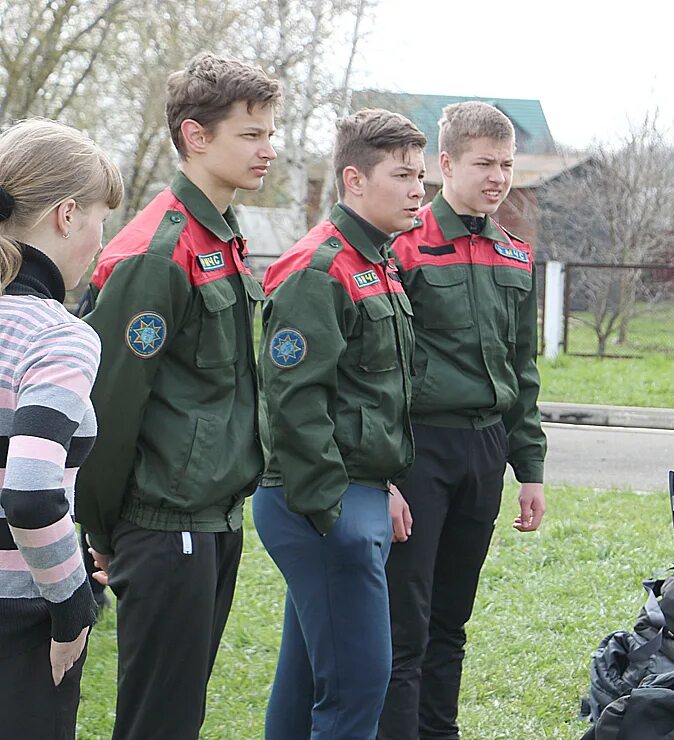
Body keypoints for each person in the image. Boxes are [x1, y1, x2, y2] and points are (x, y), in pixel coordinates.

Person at [74, 53, 281, 740]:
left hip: (214, 517)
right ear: (196, 136)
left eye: (270, 132)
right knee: (158, 721)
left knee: (179, 714)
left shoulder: (219, 236)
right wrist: (104, 532)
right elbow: (107, 410)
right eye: (251, 134)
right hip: (165, 526)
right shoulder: (156, 253)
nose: (269, 149)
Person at [253, 108, 426, 738]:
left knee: (305, 691)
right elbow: (295, 407)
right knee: (357, 690)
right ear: (354, 180)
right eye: (403, 175)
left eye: (421, 176)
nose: (419, 190)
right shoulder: (318, 268)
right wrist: (339, 516)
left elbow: (362, 399)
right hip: (320, 503)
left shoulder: (375, 262)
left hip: (353, 495)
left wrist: (380, 486)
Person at [379, 101, 547, 740]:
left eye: (507, 164)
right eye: (484, 163)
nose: (498, 176)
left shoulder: (514, 253)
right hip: (421, 447)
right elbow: (380, 367)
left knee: (451, 619)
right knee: (406, 620)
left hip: (486, 447)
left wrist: (528, 468)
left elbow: (523, 369)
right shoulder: (405, 246)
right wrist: (384, 469)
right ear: (445, 164)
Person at [0, 119, 123, 738]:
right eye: (103, 217)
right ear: (67, 215)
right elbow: (28, 489)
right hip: (20, 620)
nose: (104, 240)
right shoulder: (58, 334)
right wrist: (73, 606)